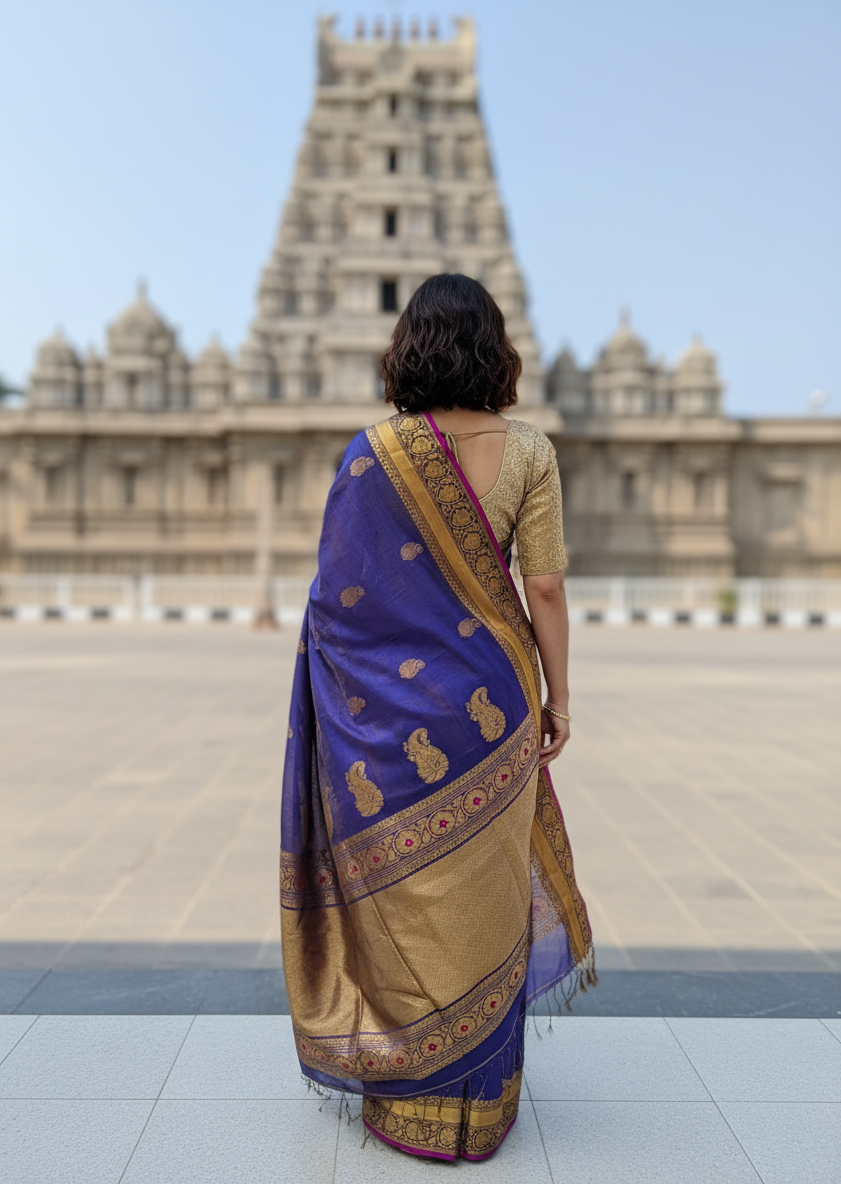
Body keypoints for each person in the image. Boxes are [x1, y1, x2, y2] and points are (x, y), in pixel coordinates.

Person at [280, 274, 594, 1162]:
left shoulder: (373, 452)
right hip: (490, 705)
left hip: (389, 717)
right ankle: (481, 1107)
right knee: (485, 898)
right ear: (497, 350)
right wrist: (557, 699)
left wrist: (342, 700)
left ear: (406, 348)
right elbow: (544, 588)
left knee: (407, 896)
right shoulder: (529, 450)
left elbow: (339, 605)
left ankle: (409, 1101)